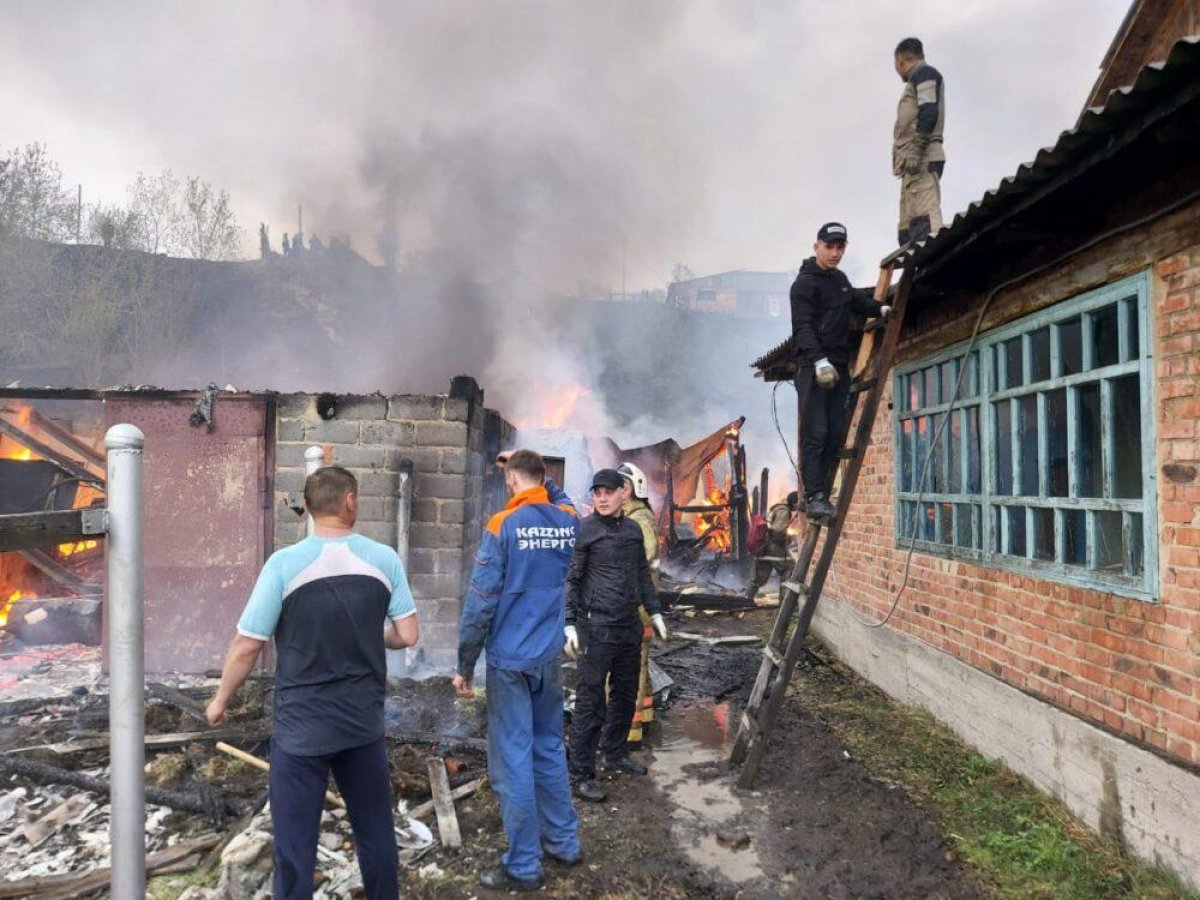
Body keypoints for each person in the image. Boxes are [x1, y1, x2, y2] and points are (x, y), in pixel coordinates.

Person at [205, 466, 418, 900]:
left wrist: (220, 700)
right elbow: (408, 635)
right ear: (350, 501)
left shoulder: (283, 565)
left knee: (295, 850)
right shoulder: (383, 559)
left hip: (302, 733)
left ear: (308, 508)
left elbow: (248, 645)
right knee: (376, 837)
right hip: (362, 727)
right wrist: (368, 633)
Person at [454, 449, 582, 893]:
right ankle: (564, 843)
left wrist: (464, 665)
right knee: (548, 748)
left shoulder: (501, 525)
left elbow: (480, 602)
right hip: (548, 658)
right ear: (543, 480)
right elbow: (566, 500)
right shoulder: (566, 520)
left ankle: (524, 864)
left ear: (510, 482)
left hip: (509, 662)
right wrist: (536, 473)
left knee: (513, 759)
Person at [566, 469, 667, 803]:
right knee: (590, 701)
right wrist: (569, 623)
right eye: (597, 493)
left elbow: (641, 574)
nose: (603, 498)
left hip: (628, 626)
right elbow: (573, 579)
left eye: (609, 492)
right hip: (596, 628)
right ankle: (581, 774)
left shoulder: (634, 530)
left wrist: (654, 611)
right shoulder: (586, 531)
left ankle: (616, 751)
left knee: (625, 695)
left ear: (624, 494)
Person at [791, 223, 890, 523]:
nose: (835, 253)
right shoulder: (804, 285)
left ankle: (824, 491)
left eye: (840, 247)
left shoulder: (840, 280)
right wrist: (818, 360)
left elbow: (855, 301)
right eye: (829, 246)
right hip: (813, 366)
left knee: (835, 432)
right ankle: (814, 497)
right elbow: (803, 327)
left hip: (838, 363)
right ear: (816, 246)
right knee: (816, 432)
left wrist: (879, 309)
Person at [616, 461, 658, 742]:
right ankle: (646, 714)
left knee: (629, 668)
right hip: (637, 604)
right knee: (640, 664)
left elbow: (639, 561)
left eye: (615, 488)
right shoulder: (635, 516)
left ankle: (628, 733)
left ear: (628, 489)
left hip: (635, 607)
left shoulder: (638, 520)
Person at [893, 36, 946, 246]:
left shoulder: (925, 74)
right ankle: (914, 273)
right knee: (909, 226)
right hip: (912, 166)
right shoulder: (918, 79)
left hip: (922, 158)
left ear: (900, 60)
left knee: (925, 222)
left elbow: (929, 111)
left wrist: (916, 150)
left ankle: (931, 267)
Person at [745, 491, 798, 601]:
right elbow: (777, 531)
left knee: (758, 578)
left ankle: (746, 600)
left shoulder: (777, 508)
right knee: (790, 567)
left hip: (763, 546)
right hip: (773, 547)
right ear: (794, 503)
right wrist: (788, 538)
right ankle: (784, 602)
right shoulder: (784, 511)